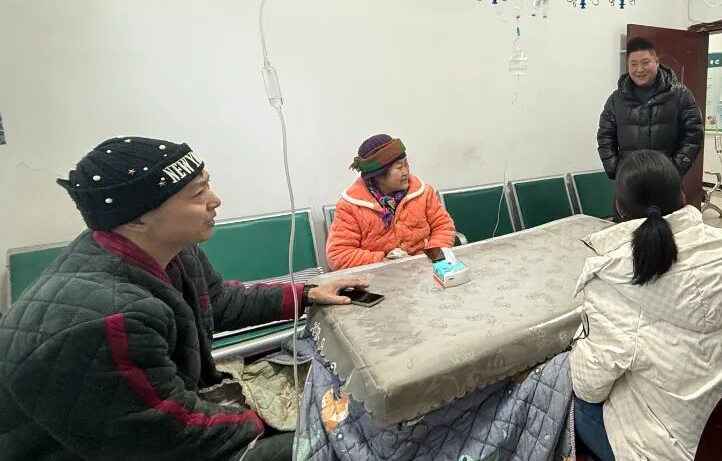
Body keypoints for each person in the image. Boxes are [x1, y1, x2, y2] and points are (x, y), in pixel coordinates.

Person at [0, 136, 367, 461]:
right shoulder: (104, 321)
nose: (215, 201)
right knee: (343, 438)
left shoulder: (171, 249)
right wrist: (274, 421)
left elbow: (218, 302)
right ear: (135, 219)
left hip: (156, 423)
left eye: (208, 185)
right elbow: (169, 434)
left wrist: (307, 294)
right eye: (197, 194)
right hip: (122, 446)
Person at [570, 150, 722, 461]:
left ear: (618, 207)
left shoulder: (615, 281)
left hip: (676, 451)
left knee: (572, 399)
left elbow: (587, 386)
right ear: (682, 196)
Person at [596, 37, 704, 219]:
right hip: (629, 184)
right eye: (634, 64)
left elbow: (694, 134)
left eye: (645, 62)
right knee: (626, 232)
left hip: (666, 184)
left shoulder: (680, 94)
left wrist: (674, 169)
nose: (639, 69)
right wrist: (616, 169)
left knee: (667, 231)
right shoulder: (616, 99)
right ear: (628, 66)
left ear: (657, 62)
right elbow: (605, 137)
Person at [326, 134, 455, 270]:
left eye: (406, 164)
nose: (406, 171)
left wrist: (435, 256)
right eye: (399, 167)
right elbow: (339, 255)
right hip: (378, 275)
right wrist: (383, 262)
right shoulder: (351, 206)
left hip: (425, 268)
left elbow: (443, 225)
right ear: (378, 175)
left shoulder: (423, 192)